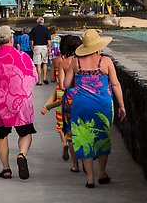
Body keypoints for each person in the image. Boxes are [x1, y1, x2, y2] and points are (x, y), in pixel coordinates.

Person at [63, 29, 126, 188]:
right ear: (98, 46)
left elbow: (66, 85)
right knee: (102, 137)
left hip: (81, 104)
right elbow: (116, 84)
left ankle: (90, 178)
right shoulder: (105, 61)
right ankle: (102, 173)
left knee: (84, 138)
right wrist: (122, 106)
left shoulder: (75, 62)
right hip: (102, 105)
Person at [0, 25, 38, 180]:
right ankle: (21, 155)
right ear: (11, 39)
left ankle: (6, 168)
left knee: (1, 135)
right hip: (21, 102)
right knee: (26, 132)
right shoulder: (23, 57)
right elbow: (33, 77)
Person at [41, 35, 82, 171]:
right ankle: (85, 159)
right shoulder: (81, 62)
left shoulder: (62, 62)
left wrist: (47, 105)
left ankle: (74, 163)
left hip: (64, 100)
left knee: (66, 130)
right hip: (79, 99)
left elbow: (62, 85)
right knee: (81, 130)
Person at [29, 17, 51, 85]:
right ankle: (45, 78)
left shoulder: (34, 29)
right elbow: (49, 41)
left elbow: (31, 41)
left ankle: (39, 80)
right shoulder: (46, 30)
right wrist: (49, 48)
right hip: (44, 47)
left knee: (38, 64)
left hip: (37, 47)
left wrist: (32, 47)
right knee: (45, 63)